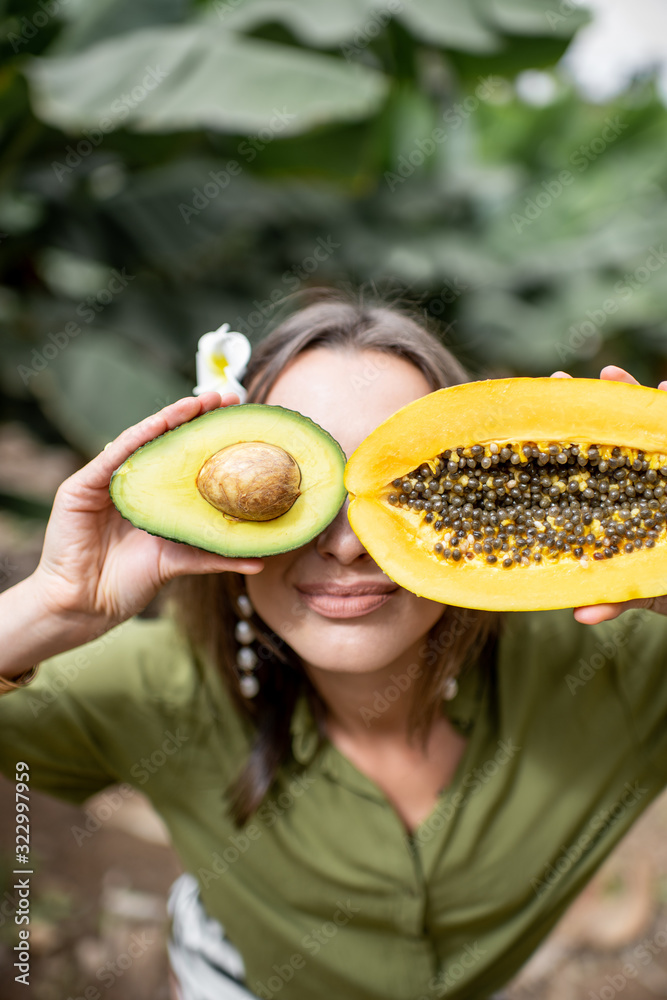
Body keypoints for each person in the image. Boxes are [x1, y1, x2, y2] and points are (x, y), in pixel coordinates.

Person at [2, 291, 667, 1000]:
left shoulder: (617, 663)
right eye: (298, 494)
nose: (347, 546)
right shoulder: (151, 686)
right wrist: (56, 605)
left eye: (405, 489)